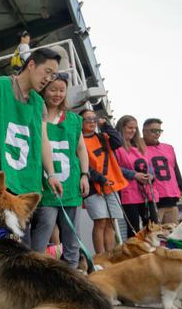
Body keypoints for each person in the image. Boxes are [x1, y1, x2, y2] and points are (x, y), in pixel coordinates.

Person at [0, 48, 64, 235]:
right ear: (31, 65)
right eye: (47, 72)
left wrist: (51, 174)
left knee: (17, 227)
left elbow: (43, 140)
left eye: (53, 75)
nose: (48, 79)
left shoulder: (39, 104)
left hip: (19, 169)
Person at [29, 70, 89, 268]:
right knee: (44, 226)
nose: (57, 94)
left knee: (72, 233)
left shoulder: (73, 119)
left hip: (71, 184)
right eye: (53, 89)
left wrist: (84, 175)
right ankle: (36, 271)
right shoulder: (36, 114)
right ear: (44, 90)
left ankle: (71, 272)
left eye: (62, 90)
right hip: (45, 185)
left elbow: (81, 148)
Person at [81, 110, 128, 253]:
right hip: (93, 184)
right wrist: (99, 178)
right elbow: (82, 164)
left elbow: (118, 142)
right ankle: (101, 256)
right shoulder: (78, 140)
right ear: (80, 122)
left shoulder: (102, 137)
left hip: (111, 182)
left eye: (93, 118)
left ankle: (110, 255)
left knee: (111, 221)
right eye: (87, 119)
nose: (91, 121)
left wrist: (105, 124)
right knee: (100, 220)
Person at [114, 115, 158, 234]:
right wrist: (134, 175)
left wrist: (151, 175)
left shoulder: (140, 145)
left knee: (152, 225)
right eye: (129, 128)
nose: (133, 130)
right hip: (128, 192)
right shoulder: (117, 147)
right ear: (121, 128)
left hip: (146, 192)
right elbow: (115, 168)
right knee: (134, 228)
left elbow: (148, 165)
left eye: (135, 128)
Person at [142, 118, 182, 225]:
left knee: (171, 233)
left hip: (171, 196)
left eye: (159, 131)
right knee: (154, 234)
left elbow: (175, 168)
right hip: (152, 197)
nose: (157, 134)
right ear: (144, 131)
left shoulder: (168, 148)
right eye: (153, 131)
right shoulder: (138, 148)